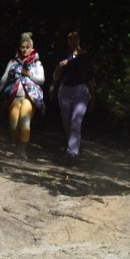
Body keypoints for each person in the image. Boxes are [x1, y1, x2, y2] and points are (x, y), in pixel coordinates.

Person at [0, 32, 45, 160]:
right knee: (13, 125)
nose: (24, 49)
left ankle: (22, 150)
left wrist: (29, 74)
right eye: (22, 47)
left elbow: (42, 79)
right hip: (15, 97)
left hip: (30, 98)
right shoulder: (13, 62)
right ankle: (17, 146)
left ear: (31, 48)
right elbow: (4, 79)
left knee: (24, 122)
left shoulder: (36, 63)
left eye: (27, 47)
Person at [52, 31, 95, 163]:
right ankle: (74, 147)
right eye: (70, 38)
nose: (73, 40)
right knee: (67, 122)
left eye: (75, 38)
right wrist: (60, 67)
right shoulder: (64, 56)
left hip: (81, 91)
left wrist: (93, 98)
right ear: (67, 41)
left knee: (75, 122)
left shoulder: (86, 57)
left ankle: (72, 153)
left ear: (79, 39)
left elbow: (91, 79)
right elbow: (55, 77)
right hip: (65, 91)